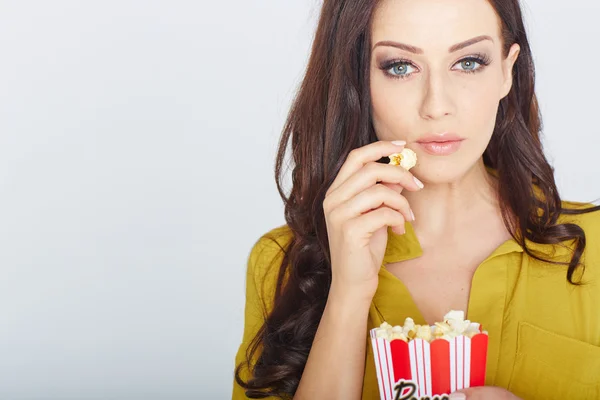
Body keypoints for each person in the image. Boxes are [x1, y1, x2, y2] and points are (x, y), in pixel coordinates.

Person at [232, 0, 600, 398]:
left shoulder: (594, 245)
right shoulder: (280, 262)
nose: (437, 106)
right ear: (357, 78)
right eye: (400, 67)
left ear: (507, 72)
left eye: (469, 62)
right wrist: (347, 295)